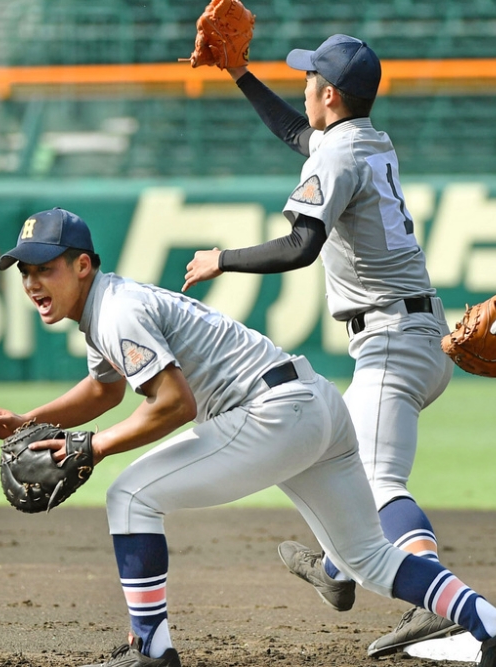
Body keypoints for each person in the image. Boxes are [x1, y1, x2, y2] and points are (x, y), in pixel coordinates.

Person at [0, 208, 496, 667]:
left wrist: (91, 447)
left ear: (83, 266)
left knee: (130, 495)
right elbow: (106, 392)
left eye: (44, 268)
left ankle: (151, 650)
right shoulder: (108, 308)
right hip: (313, 405)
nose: (31, 282)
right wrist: (26, 420)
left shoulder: (118, 311)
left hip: (271, 413)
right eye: (24, 271)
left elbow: (174, 405)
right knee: (367, 558)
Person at [181, 34, 459, 656]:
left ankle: (430, 598)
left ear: (328, 95)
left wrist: (221, 259)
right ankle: (337, 571)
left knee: (376, 480)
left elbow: (301, 247)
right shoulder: (364, 140)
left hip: (393, 339)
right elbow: (293, 133)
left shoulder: (335, 158)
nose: (302, 85)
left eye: (308, 78)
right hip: (410, 333)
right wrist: (239, 72)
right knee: (331, 454)